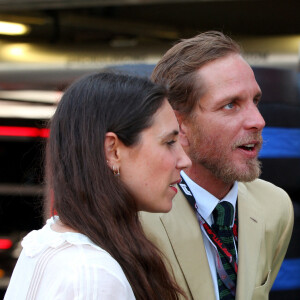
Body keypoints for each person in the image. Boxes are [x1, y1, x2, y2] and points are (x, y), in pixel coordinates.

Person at [5, 72, 191, 300]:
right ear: (112, 151)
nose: (184, 160)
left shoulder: (50, 245)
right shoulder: (93, 275)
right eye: (169, 142)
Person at [140, 31, 294, 300]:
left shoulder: (275, 207)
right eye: (231, 105)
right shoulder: (133, 216)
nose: (258, 120)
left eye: (255, 101)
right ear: (179, 126)